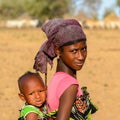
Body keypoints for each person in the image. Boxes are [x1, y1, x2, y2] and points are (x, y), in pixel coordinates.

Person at [33, 18, 98, 120]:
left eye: (84, 49)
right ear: (58, 50)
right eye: (74, 51)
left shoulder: (57, 78)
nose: (81, 56)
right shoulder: (70, 85)